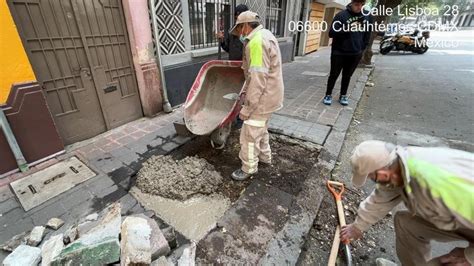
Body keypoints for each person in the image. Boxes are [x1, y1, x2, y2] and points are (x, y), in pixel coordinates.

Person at [342, 140, 474, 265]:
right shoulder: (399, 164)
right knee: (405, 223)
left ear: (383, 173)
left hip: (467, 216)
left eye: (372, 177)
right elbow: (382, 196)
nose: (374, 181)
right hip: (459, 218)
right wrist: (358, 226)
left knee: (447, 263)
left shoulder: (438, 183)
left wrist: (469, 257)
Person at [228, 11, 284, 181]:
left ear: (245, 25)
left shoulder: (256, 43)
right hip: (272, 94)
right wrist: (244, 90)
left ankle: (249, 168)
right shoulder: (265, 34)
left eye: (239, 29)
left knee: (250, 134)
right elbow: (255, 74)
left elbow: (258, 78)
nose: (240, 34)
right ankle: (265, 158)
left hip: (263, 98)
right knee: (261, 128)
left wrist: (247, 107)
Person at [324, 0, 371, 106]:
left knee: (347, 75)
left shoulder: (366, 16)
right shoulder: (341, 15)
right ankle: (328, 94)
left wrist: (362, 48)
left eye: (362, 5)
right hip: (339, 52)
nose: (360, 7)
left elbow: (367, 33)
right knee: (334, 75)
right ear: (351, 4)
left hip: (355, 53)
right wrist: (346, 29)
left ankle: (343, 95)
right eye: (357, 5)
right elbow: (331, 33)